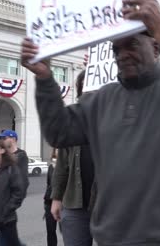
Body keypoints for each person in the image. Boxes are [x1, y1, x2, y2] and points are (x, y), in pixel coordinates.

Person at [20, 0, 160, 246]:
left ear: (156, 47)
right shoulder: (99, 100)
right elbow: (58, 132)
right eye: (117, 49)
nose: (122, 54)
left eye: (132, 45)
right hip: (112, 237)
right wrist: (44, 78)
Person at [50, 70, 95, 246]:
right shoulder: (72, 119)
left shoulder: (114, 116)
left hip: (109, 204)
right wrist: (56, 198)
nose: (89, 90)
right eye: (85, 86)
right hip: (75, 202)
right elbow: (62, 165)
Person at [0, 130, 29, 246]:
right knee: (8, 235)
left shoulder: (21, 155)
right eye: (1, 139)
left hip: (9, 201)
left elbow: (23, 182)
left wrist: (15, 202)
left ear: (13, 139)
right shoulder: (3, 156)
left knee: (4, 233)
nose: (2, 141)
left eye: (4, 138)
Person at [44, 150, 58, 246]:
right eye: (56, 148)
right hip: (49, 203)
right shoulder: (51, 166)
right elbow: (48, 184)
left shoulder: (69, 164)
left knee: (67, 232)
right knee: (50, 231)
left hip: (64, 203)